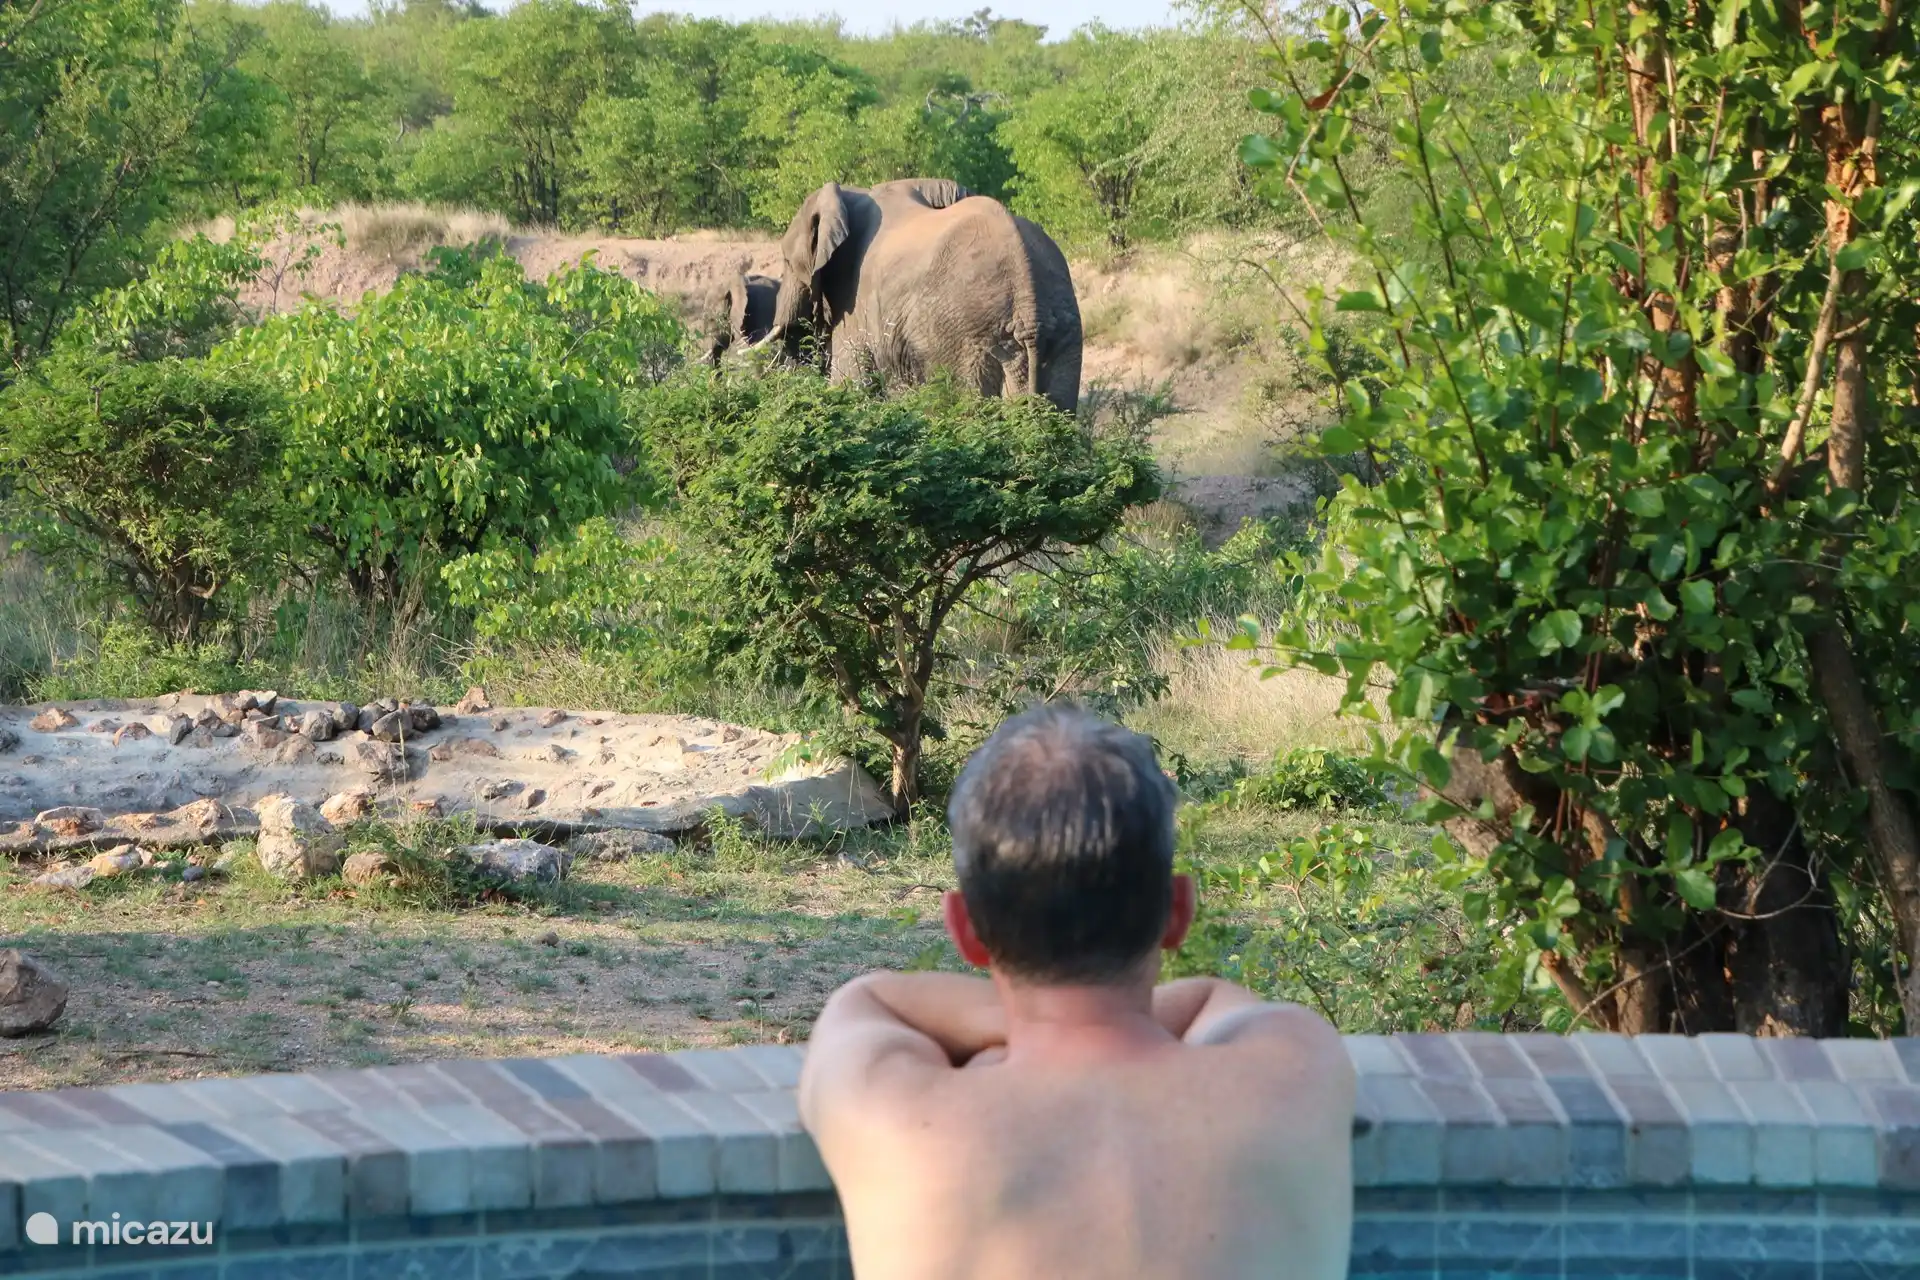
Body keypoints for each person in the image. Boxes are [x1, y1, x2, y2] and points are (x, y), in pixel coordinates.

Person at [798, 703, 1355, 1280]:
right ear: (1178, 912)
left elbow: (872, 999)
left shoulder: (891, 1109)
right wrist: (1091, 1017)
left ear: (967, 931)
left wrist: (1035, 1026)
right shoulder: (1297, 1066)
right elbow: (1213, 998)